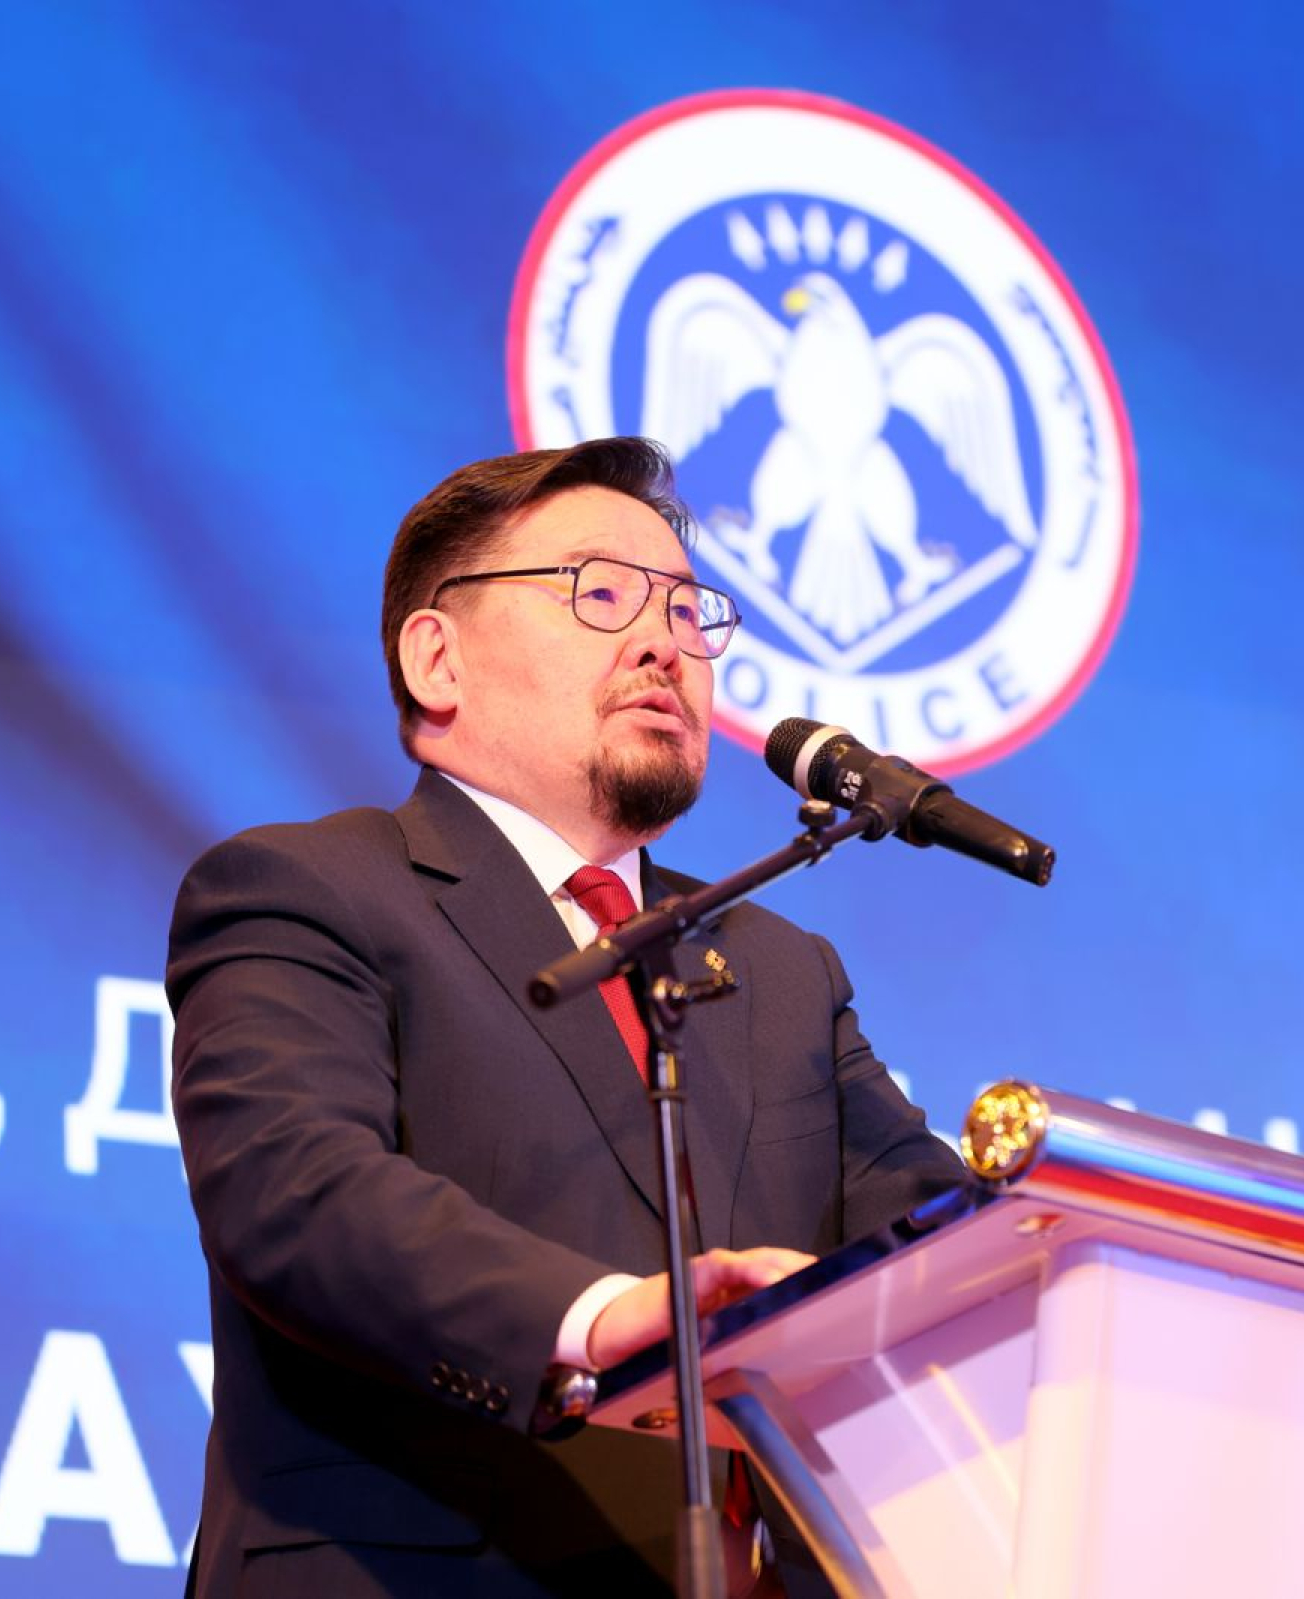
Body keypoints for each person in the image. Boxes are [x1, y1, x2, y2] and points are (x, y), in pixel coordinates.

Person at [167, 436, 964, 1597]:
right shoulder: (311, 889)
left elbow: (933, 1241)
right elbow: (295, 1193)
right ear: (437, 658)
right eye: (598, 593)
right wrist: (600, 1319)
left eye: (686, 612)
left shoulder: (780, 969)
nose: (663, 644)